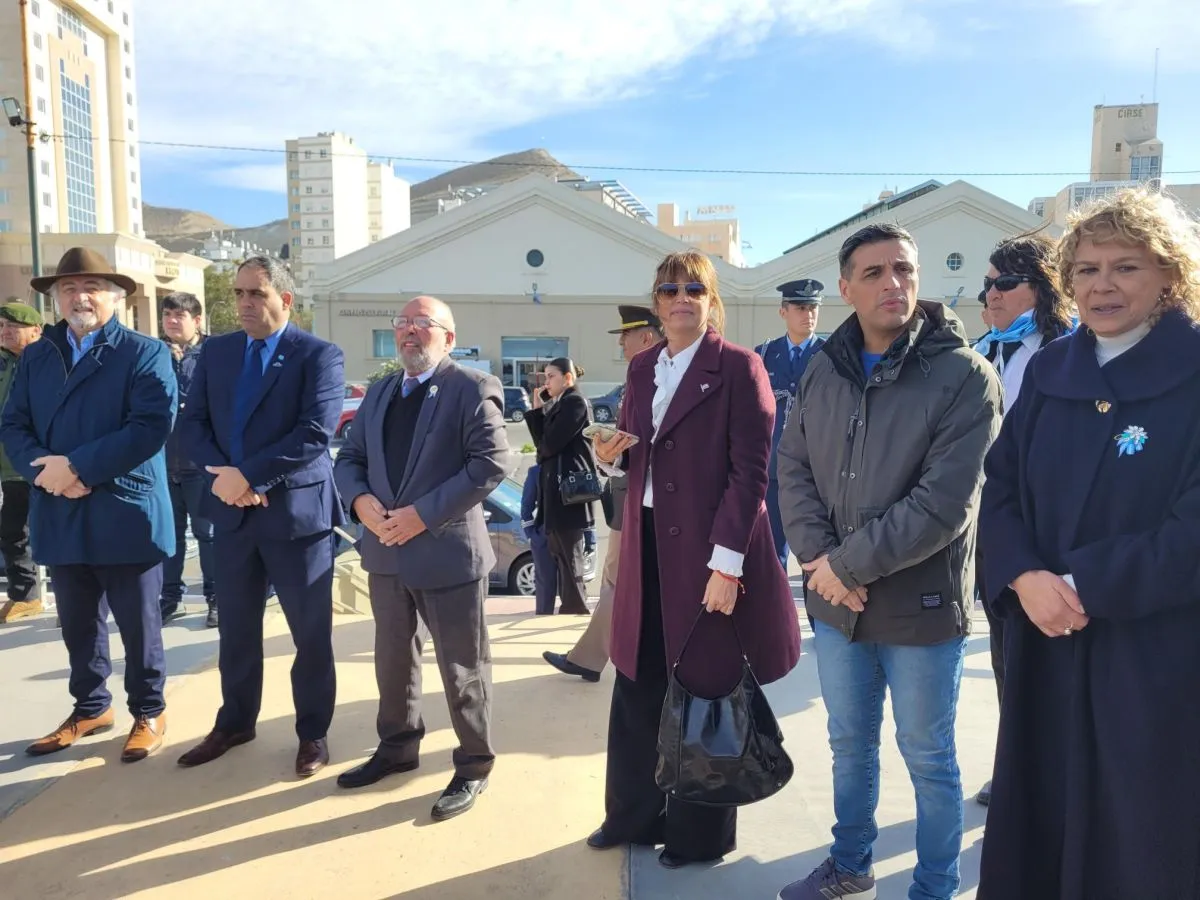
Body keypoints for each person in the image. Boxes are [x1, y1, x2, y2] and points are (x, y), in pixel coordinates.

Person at [977, 190, 1200, 899]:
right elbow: (1000, 489)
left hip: (1153, 658)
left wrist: (1081, 585)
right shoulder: (1052, 372)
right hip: (1045, 647)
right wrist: (1023, 576)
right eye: (1087, 269)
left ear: (1169, 275)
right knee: (1042, 824)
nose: (1103, 285)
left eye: (1126, 266)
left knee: (1137, 838)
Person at [775, 223, 1002, 900]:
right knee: (849, 746)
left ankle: (934, 888)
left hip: (920, 608)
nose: (892, 283)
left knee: (928, 758)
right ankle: (851, 866)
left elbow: (944, 504)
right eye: (873, 272)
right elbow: (793, 468)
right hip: (837, 607)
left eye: (903, 269)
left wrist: (843, 569)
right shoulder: (823, 368)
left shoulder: (964, 375)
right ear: (846, 289)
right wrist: (819, 559)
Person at [589, 249, 801, 869]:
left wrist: (726, 565)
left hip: (709, 554)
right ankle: (631, 816)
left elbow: (750, 474)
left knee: (704, 693)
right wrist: (611, 457)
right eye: (669, 289)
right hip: (647, 547)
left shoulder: (739, 367)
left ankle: (698, 837)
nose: (681, 297)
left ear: (711, 301)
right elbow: (639, 454)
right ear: (657, 303)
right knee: (636, 684)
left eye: (694, 288)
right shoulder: (642, 369)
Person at [332, 295, 511, 821]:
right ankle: (397, 747)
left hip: (447, 555)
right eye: (402, 323)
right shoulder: (382, 390)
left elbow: (491, 463)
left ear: (448, 338)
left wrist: (422, 515)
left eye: (423, 323)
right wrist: (359, 501)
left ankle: (474, 764)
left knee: (463, 669)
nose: (409, 331)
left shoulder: (471, 387)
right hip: (385, 552)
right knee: (392, 664)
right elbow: (350, 458)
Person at [2, 248, 177, 762]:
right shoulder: (38, 356)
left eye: (92, 287)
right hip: (60, 507)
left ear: (115, 297)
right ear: (56, 298)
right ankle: (91, 707)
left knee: (139, 625)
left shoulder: (144, 351)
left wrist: (77, 468)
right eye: (69, 288)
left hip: (124, 509)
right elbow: (13, 423)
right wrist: (46, 472)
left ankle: (149, 709)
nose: (80, 297)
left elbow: (150, 427)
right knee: (77, 624)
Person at [176, 256, 344, 779]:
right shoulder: (218, 352)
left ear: (284, 300)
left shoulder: (318, 355)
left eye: (256, 293)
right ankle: (235, 722)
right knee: (236, 631)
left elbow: (315, 432)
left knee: (309, 635)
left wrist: (247, 477)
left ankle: (312, 733)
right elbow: (192, 424)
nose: (244, 303)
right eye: (238, 293)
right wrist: (225, 477)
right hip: (231, 516)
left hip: (295, 517)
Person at [970, 234, 1075, 808]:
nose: (992, 294)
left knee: (1053, 661)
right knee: (1005, 654)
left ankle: (1059, 779)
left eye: (1005, 283)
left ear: (1041, 287)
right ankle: (1015, 768)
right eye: (987, 285)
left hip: (1050, 535)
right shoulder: (984, 350)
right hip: (994, 527)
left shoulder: (1068, 350)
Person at [543, 304, 663, 682]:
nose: (621, 345)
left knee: (616, 579)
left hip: (646, 501)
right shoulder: (640, 376)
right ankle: (591, 658)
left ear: (646, 337)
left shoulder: (659, 376)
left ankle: (591, 658)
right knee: (615, 579)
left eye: (625, 337)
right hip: (628, 496)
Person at [755, 280, 826, 570]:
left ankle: (817, 603)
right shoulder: (763, 355)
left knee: (818, 552)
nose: (808, 314)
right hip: (773, 469)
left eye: (813, 308)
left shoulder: (831, 355)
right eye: (800, 308)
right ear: (783, 311)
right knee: (772, 553)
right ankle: (777, 601)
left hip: (817, 471)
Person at [158, 291, 217, 628]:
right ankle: (170, 599)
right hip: (164, 463)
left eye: (178, 315)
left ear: (196, 320)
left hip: (201, 465)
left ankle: (216, 598)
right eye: (167, 315)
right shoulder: (155, 353)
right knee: (169, 537)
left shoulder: (213, 353)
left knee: (208, 535)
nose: (171, 321)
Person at [524, 358, 596, 616]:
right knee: (561, 556)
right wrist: (537, 410)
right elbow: (542, 446)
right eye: (545, 377)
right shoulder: (559, 404)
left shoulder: (575, 402)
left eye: (551, 376)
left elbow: (549, 445)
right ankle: (570, 609)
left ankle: (575, 612)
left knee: (570, 559)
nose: (546, 383)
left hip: (569, 494)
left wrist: (542, 429)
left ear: (567, 378)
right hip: (556, 494)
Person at [0, 302, 43, 623]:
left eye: (13, 327)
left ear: (36, 331)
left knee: (54, 529)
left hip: (41, 462)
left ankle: (80, 597)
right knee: (13, 530)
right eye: (2, 327)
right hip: (9, 465)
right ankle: (25, 596)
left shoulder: (47, 362)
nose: (5, 332)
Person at [520, 461, 559, 615]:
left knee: (573, 583)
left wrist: (589, 536)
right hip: (543, 535)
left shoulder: (572, 465)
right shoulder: (536, 471)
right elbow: (526, 505)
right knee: (545, 583)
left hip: (570, 533)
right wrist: (531, 535)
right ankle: (543, 617)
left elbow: (584, 501)